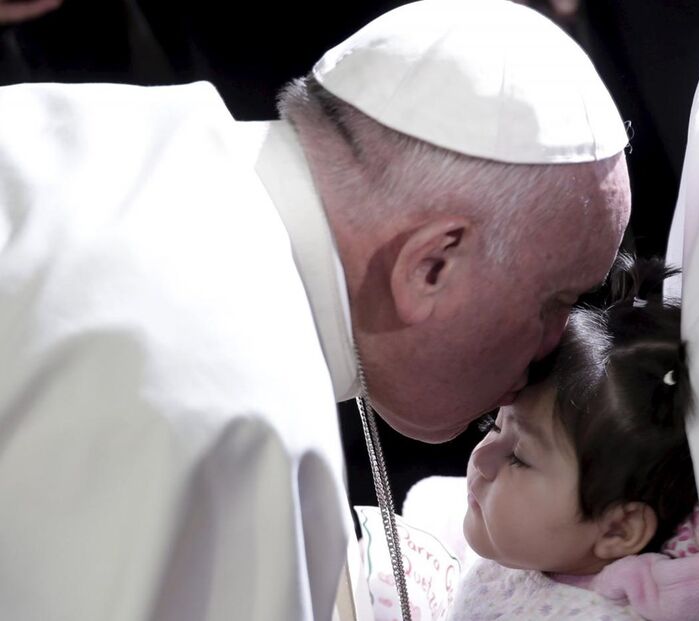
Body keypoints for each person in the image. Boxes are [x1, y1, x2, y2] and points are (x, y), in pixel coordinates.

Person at [0, 0, 631, 619]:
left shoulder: (117, 122)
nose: (554, 345)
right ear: (432, 265)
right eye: (554, 302)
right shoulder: (240, 415)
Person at [448, 258, 699, 621]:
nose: (481, 459)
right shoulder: (529, 549)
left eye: (518, 457)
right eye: (494, 426)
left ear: (617, 529)